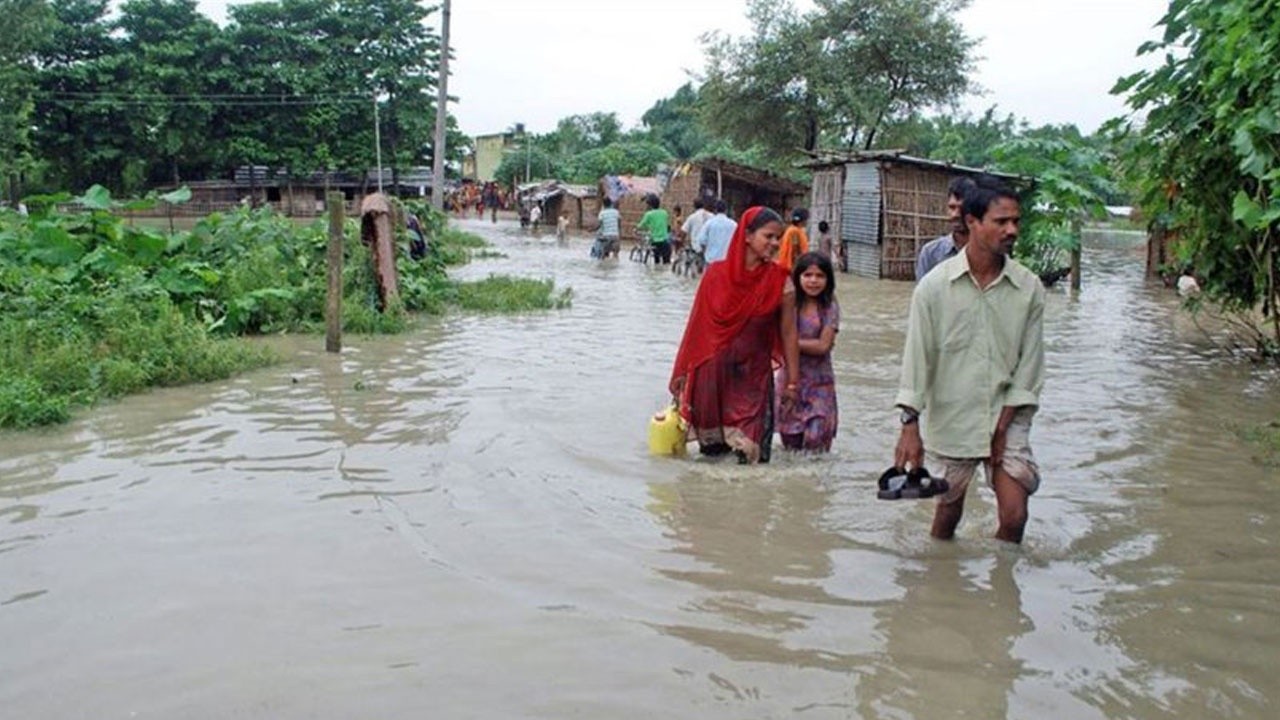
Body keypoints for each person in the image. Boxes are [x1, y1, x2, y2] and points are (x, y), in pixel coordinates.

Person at [894, 175, 1045, 544]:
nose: (1011, 230)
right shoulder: (933, 287)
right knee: (948, 510)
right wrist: (909, 424)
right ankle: (941, 582)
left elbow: (1030, 366)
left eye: (1016, 222)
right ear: (972, 222)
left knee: (1015, 516)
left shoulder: (1028, 288)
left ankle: (1002, 590)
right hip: (954, 413)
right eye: (1001, 221)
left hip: (1009, 416)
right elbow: (917, 357)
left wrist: (1001, 426)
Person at [669, 207, 801, 464]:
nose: (775, 243)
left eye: (778, 238)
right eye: (769, 236)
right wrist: (683, 372)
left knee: (752, 459)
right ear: (747, 236)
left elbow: (788, 333)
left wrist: (793, 383)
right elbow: (697, 328)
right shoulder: (715, 276)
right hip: (712, 375)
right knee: (711, 461)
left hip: (754, 378)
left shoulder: (782, 282)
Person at [775, 251, 839, 451]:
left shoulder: (829, 306)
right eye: (808, 275)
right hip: (789, 383)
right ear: (798, 278)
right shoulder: (787, 304)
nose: (813, 281)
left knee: (817, 442)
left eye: (820, 276)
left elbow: (823, 346)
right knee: (790, 448)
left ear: (828, 280)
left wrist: (789, 342)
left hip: (820, 385)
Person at [915, 176, 978, 280]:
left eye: (962, 208)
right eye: (952, 207)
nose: (955, 214)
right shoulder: (931, 253)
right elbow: (922, 294)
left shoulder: (988, 253)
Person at [696, 199, 737, 264]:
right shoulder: (734, 225)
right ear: (726, 210)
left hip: (711, 261)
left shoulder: (709, 223)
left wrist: (706, 253)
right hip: (727, 262)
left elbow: (701, 241)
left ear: (715, 210)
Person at [637, 193, 672, 264]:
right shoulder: (664, 213)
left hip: (655, 241)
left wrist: (636, 229)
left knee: (657, 261)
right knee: (666, 262)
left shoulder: (649, 214)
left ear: (650, 205)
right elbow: (668, 225)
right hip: (665, 241)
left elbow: (641, 225)